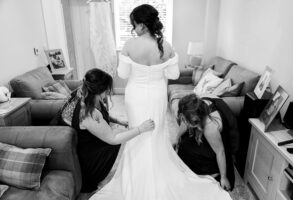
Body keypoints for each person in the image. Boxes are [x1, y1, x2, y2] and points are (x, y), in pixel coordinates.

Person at [90, 4, 232, 200]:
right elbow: (173, 74)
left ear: (141, 25)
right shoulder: (166, 45)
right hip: (157, 95)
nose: (133, 29)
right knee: (155, 133)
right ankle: (156, 169)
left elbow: (122, 73)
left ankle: (137, 176)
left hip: (136, 96)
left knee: (138, 132)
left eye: (134, 24)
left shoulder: (130, 45)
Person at [59, 68, 155, 193]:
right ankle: (107, 174)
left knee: (119, 129)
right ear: (99, 90)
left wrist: (118, 121)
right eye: (107, 89)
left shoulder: (82, 93)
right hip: (88, 161)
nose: (109, 91)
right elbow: (113, 139)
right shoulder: (88, 113)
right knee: (121, 135)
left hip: (84, 142)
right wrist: (141, 129)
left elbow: (102, 116)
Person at [176, 93, 235, 191]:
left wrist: (223, 177)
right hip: (205, 132)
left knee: (189, 150)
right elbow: (184, 122)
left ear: (196, 119)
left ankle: (212, 172)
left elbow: (220, 152)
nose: (185, 123)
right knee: (184, 142)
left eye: (187, 121)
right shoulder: (195, 108)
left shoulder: (210, 127)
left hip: (217, 148)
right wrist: (176, 137)